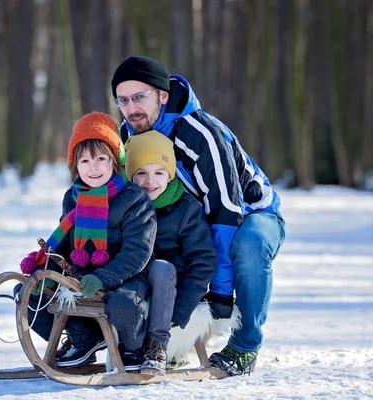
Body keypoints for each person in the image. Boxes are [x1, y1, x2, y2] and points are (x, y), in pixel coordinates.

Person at [111, 56, 286, 376]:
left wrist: (220, 291)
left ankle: (245, 345)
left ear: (162, 96)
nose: (131, 107)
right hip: (190, 219)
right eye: (123, 100)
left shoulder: (201, 132)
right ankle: (167, 343)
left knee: (249, 245)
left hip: (251, 214)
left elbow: (226, 211)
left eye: (140, 97)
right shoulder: (129, 133)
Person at [17, 111, 157, 371]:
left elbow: (138, 251)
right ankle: (84, 337)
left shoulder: (133, 199)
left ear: (114, 161)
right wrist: (45, 268)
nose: (93, 167)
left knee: (125, 304)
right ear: (75, 166)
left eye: (101, 159)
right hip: (81, 273)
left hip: (125, 276)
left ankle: (132, 347)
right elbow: (65, 244)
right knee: (27, 292)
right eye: (85, 160)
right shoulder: (73, 197)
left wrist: (104, 277)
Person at [124, 131, 217, 376]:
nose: (149, 180)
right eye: (141, 173)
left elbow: (203, 262)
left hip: (173, 289)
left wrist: (182, 309)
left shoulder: (185, 210)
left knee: (161, 266)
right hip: (134, 284)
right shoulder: (124, 205)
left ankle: (157, 346)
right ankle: (124, 347)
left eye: (158, 172)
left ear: (170, 174)